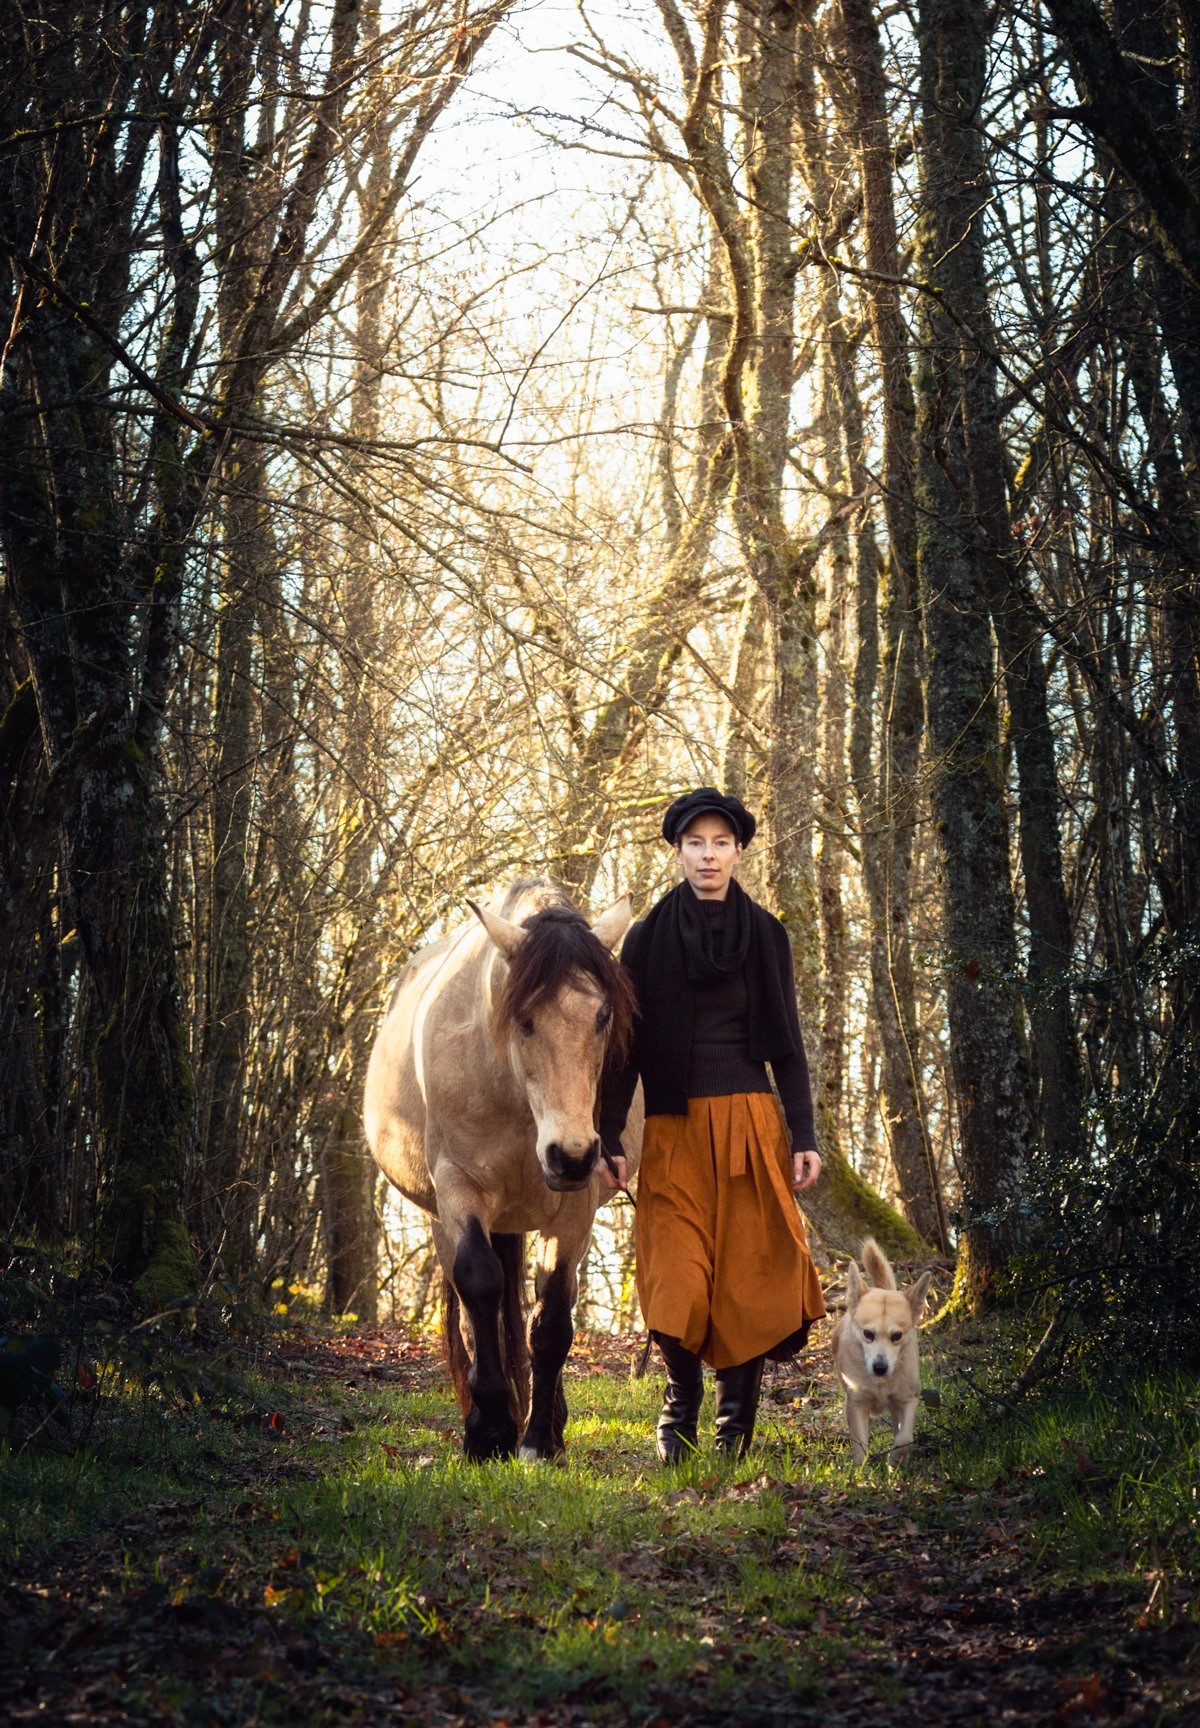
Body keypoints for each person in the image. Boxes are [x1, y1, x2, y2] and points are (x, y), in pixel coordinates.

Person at [599, 787, 825, 1461]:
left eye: (720, 843)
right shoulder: (645, 939)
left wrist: (804, 1136)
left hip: (750, 1125)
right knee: (675, 1275)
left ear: (739, 851)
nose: (708, 855)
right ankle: (681, 1401)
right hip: (672, 1130)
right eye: (695, 843)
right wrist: (609, 1137)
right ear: (678, 851)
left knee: (747, 1278)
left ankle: (734, 1425)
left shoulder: (767, 935)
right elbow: (624, 1051)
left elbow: (787, 1046)